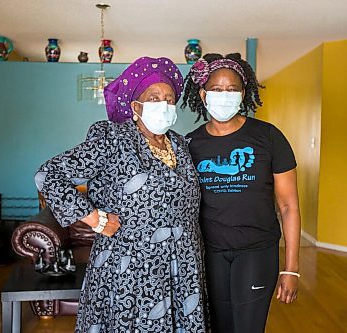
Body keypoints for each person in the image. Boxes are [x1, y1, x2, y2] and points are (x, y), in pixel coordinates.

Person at [35, 56, 209, 333]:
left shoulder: (180, 143)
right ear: (135, 107)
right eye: (153, 97)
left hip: (184, 264)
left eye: (169, 98)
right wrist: (94, 218)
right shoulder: (113, 138)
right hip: (132, 265)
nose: (163, 104)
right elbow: (48, 175)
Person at [181, 53, 301, 333]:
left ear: (244, 94)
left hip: (256, 251)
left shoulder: (268, 137)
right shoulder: (191, 144)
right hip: (210, 253)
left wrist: (291, 268)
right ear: (203, 94)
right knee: (220, 327)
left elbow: (288, 206)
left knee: (248, 327)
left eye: (232, 90)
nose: (225, 96)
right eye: (217, 90)